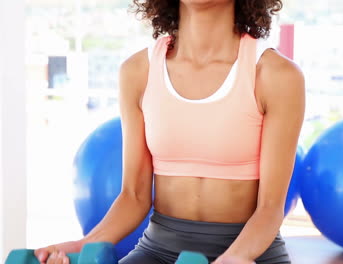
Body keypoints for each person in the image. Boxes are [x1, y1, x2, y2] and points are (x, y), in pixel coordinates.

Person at [34, 0, 305, 263]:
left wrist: (235, 257)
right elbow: (134, 196)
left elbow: (270, 208)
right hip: (158, 252)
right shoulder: (138, 71)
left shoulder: (276, 75)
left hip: (248, 253)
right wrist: (85, 244)